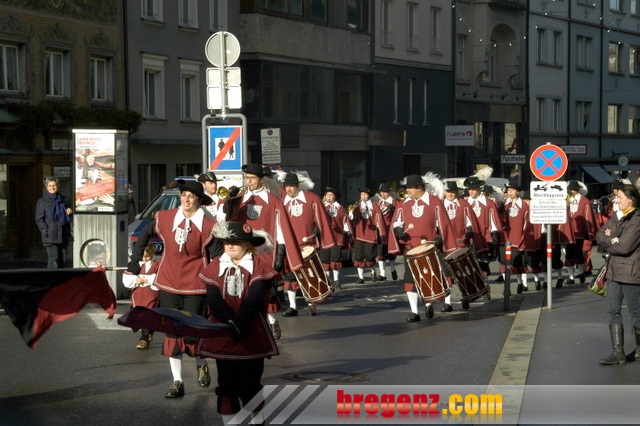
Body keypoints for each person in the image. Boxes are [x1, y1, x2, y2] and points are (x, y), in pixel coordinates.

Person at [127, 179, 219, 398]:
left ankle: (201, 364)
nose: (186, 199)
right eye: (183, 195)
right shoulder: (165, 217)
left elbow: (217, 256)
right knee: (172, 332)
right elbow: (144, 233)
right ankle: (177, 382)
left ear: (199, 201)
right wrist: (135, 261)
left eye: (191, 196)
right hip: (168, 282)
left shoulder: (209, 225)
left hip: (196, 285)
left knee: (192, 331)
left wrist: (219, 282)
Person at [196, 221, 279, 426]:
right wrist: (229, 323)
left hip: (251, 332)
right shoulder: (215, 266)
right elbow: (214, 299)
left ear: (248, 245)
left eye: (236, 242)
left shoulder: (258, 266)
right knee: (226, 385)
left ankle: (257, 421)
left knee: (251, 385)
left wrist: (240, 323)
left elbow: (255, 299)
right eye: (226, 242)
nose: (230, 246)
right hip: (224, 333)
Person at [220, 163, 303, 339]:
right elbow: (225, 220)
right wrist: (228, 203)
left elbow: (281, 228)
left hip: (265, 252)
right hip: (242, 252)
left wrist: (280, 251)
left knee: (264, 292)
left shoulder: (273, 200)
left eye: (252, 178)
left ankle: (271, 320)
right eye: (246, 178)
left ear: (261, 180)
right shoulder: (239, 199)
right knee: (242, 290)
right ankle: (248, 326)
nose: (248, 181)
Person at [388, 174, 457, 321]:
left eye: (410, 188)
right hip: (410, 248)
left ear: (419, 188)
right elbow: (396, 222)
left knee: (428, 277)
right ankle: (414, 312)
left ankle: (428, 304)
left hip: (429, 247)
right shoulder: (403, 203)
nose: (407, 190)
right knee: (410, 279)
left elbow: (443, 223)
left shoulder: (434, 202)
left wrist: (440, 238)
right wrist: (398, 230)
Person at [595, 185, 640, 365]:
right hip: (613, 271)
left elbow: (625, 247)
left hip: (631, 272)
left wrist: (610, 240)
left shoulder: (637, 219)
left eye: (620, 197)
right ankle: (618, 352)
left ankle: (639, 350)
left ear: (631, 199)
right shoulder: (616, 215)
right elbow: (599, 235)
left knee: (636, 313)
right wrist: (612, 239)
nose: (616, 200)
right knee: (612, 310)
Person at [281, 173, 335, 316]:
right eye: (286, 186)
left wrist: (318, 231)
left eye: (291, 186)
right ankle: (292, 306)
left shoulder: (312, 198)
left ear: (298, 186)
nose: (288, 189)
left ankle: (311, 303)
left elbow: (321, 218)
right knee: (290, 276)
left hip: (306, 245)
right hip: (289, 245)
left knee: (309, 275)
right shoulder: (282, 201)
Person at [442, 180, 488, 310]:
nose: (451, 194)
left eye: (453, 192)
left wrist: (469, 232)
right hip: (445, 245)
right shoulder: (440, 205)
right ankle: (447, 302)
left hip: (461, 243)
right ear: (444, 192)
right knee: (446, 274)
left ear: (457, 192)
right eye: (448, 192)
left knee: (462, 273)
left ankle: (465, 296)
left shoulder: (463, 204)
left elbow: (469, 221)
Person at [464, 176, 503, 283]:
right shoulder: (465, 203)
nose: (471, 191)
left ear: (479, 188)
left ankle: (484, 282)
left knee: (483, 261)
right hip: (470, 236)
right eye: (469, 189)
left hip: (485, 236)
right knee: (471, 262)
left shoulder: (488, 203)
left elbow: (493, 218)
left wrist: (494, 233)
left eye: (473, 189)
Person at [122, 244, 159, 350]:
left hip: (151, 293)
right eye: (142, 256)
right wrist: (135, 280)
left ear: (152, 254)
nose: (144, 259)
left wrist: (148, 279)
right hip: (138, 294)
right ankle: (149, 333)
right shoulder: (135, 265)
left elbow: (161, 277)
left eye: (147, 256)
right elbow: (127, 279)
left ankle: (144, 339)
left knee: (147, 314)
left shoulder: (157, 265)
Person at [500, 181, 534, 294]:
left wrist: (523, 238)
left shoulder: (524, 206)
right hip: (505, 239)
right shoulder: (505, 205)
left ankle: (520, 282)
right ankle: (507, 287)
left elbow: (526, 223)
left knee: (517, 263)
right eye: (508, 190)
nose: (510, 192)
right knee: (504, 263)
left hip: (517, 239)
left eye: (512, 190)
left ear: (517, 192)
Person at [563, 180, 598, 287]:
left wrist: (590, 232)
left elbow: (589, 216)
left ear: (577, 190)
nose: (571, 191)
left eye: (573, 189)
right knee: (568, 254)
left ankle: (581, 272)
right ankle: (571, 277)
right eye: (570, 189)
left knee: (578, 253)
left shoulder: (584, 200)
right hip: (568, 231)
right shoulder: (567, 199)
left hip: (579, 232)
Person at [349, 187, 387, 284]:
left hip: (371, 235)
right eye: (362, 194)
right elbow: (351, 219)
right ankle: (360, 277)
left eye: (365, 195)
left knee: (370, 256)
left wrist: (380, 233)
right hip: (359, 234)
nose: (363, 196)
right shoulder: (357, 206)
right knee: (358, 256)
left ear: (369, 196)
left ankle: (373, 272)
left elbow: (379, 219)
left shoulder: (374, 206)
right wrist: (351, 212)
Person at [320, 186, 353, 290]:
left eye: (331, 195)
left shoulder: (340, 208)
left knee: (336, 258)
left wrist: (348, 233)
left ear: (335, 197)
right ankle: (327, 281)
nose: (329, 197)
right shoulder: (321, 207)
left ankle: (336, 280)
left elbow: (345, 222)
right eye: (327, 195)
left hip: (337, 237)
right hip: (324, 237)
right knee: (325, 259)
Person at [35, 177, 73, 269]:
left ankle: (61, 279)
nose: (52, 187)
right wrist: (45, 230)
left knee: (62, 262)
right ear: (46, 187)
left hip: (63, 235)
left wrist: (70, 211)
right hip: (50, 236)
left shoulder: (65, 200)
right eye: (50, 185)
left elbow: (69, 216)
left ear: (58, 186)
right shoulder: (42, 201)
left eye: (54, 185)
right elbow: (39, 219)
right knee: (53, 261)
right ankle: (52, 278)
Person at [376, 182, 398, 281]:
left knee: (391, 252)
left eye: (385, 192)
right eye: (381, 192)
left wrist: (394, 209)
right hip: (381, 230)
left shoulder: (394, 202)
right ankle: (382, 274)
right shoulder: (379, 203)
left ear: (389, 192)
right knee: (380, 252)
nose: (383, 194)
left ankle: (393, 269)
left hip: (390, 230)